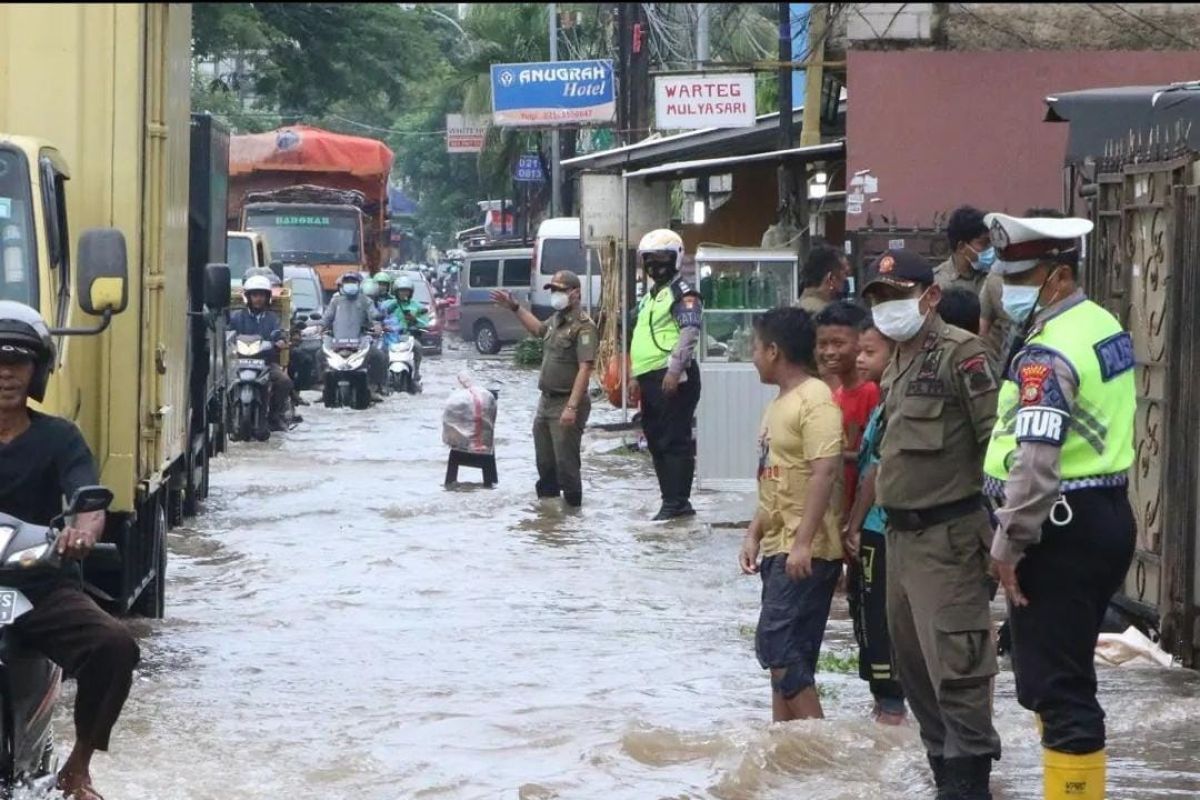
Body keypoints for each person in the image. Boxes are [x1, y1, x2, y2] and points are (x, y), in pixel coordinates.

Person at [982, 212, 1134, 800]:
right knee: (1058, 675)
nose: (1010, 291)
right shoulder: (1103, 325)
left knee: (1060, 691)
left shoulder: (1048, 354)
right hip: (1104, 517)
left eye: (1024, 279)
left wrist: (1008, 545)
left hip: (1055, 527)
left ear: (1061, 277)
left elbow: (1037, 463)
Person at [862, 249, 1001, 799]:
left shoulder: (961, 355)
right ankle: (946, 777)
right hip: (899, 539)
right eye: (878, 299)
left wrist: (1005, 539)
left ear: (930, 296)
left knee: (958, 674)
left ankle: (968, 787)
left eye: (897, 297)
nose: (886, 309)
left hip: (950, 539)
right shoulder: (898, 359)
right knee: (914, 672)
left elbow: (997, 446)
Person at [0, 302, 140, 800]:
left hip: (39, 585)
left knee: (115, 645)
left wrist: (81, 532)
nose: (5, 374)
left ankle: (77, 768)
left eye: (17, 362)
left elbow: (88, 498)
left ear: (37, 371)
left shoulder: (59, 437)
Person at [738, 307, 843, 722]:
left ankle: (821, 746)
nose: (752, 357)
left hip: (807, 551)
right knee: (788, 657)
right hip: (779, 546)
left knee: (775, 645)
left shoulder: (816, 400)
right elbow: (774, 478)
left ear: (774, 351)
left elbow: (825, 470)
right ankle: (790, 754)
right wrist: (753, 532)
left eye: (755, 348)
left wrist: (802, 543)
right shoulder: (778, 404)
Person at [842, 319, 907, 726]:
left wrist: (852, 524)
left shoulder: (896, 402)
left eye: (870, 352)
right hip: (879, 529)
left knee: (877, 624)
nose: (860, 359)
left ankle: (890, 711)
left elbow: (876, 474)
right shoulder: (884, 401)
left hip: (880, 529)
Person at [491, 271, 597, 508]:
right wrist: (515, 308)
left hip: (566, 402)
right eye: (553, 290)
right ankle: (548, 517)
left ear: (575, 293)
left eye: (560, 290)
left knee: (566, 464)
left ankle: (572, 514)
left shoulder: (584, 326)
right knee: (545, 463)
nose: (555, 295)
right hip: (546, 402)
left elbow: (585, 368)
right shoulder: (556, 320)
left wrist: (572, 407)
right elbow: (538, 330)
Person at [629, 229, 703, 522]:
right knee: (656, 439)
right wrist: (635, 375)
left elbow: (689, 332)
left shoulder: (683, 294)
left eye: (660, 258)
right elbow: (641, 335)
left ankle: (678, 502)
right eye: (649, 259)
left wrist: (674, 370)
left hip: (673, 377)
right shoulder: (650, 297)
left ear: (676, 259)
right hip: (649, 377)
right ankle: (668, 500)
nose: (654, 265)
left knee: (674, 440)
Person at [815, 300, 876, 514]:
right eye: (823, 344)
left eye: (838, 344)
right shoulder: (835, 396)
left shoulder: (872, 392)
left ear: (860, 343)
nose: (829, 352)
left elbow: (876, 458)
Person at [936, 206, 1010, 368]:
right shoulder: (938, 284)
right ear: (962, 246)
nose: (991, 250)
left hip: (996, 369)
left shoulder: (998, 280)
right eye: (984, 244)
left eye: (992, 243)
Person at [228, 275, 296, 431]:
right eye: (254, 295)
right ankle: (227, 416)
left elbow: (279, 334)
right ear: (248, 297)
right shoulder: (237, 317)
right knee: (223, 383)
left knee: (284, 382)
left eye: (261, 295)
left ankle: (274, 415)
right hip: (238, 362)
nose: (258, 299)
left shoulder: (272, 319)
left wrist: (279, 342)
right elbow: (228, 334)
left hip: (265, 362)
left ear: (267, 298)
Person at [321, 272, 387, 400]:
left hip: (359, 340)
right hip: (338, 341)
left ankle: (374, 387)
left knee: (379, 356)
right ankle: (324, 388)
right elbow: (326, 318)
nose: (350, 285)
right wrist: (319, 327)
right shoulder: (336, 301)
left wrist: (377, 325)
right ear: (342, 285)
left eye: (353, 282)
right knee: (319, 354)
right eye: (347, 282)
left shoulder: (365, 301)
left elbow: (374, 315)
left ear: (359, 284)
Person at [386, 275, 429, 382]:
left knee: (418, 347)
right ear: (396, 292)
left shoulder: (417, 306)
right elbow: (379, 317)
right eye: (401, 291)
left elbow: (424, 322)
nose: (404, 293)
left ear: (411, 293)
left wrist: (414, 320)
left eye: (406, 291)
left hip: (408, 336)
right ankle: (381, 378)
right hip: (391, 337)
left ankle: (416, 373)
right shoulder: (388, 304)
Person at [794, 244, 849, 316]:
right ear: (831, 278)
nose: (846, 279)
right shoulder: (825, 316)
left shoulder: (800, 307)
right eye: (845, 273)